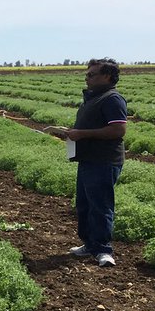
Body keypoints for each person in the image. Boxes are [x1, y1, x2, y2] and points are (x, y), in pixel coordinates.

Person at [55, 59, 127, 267]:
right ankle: (89, 244)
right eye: (87, 74)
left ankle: (103, 250)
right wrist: (71, 135)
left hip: (104, 161)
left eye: (91, 74)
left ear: (107, 76)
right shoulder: (94, 98)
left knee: (101, 205)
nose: (87, 78)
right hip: (88, 159)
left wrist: (82, 133)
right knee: (84, 204)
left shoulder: (112, 99)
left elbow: (118, 130)